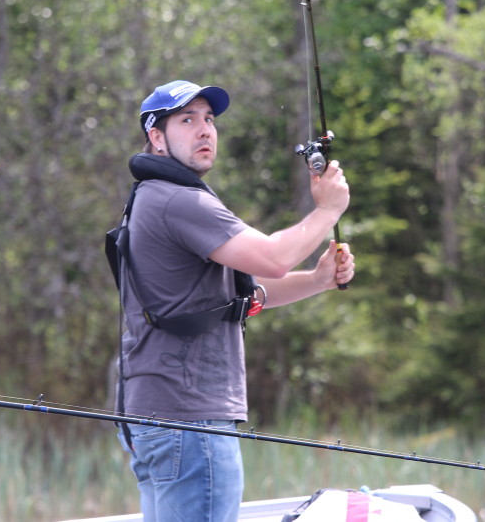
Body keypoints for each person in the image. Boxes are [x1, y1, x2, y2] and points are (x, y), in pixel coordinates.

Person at [111, 79, 354, 522]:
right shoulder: (177, 200)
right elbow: (273, 258)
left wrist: (318, 280)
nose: (205, 129)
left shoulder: (153, 197)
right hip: (190, 419)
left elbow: (240, 294)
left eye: (209, 119)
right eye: (187, 120)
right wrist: (328, 210)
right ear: (157, 138)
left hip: (159, 415)